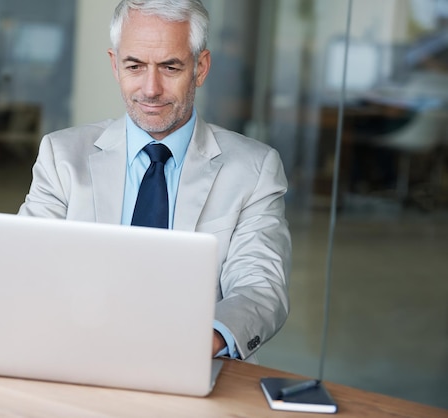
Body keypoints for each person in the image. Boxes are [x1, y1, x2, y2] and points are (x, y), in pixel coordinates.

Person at [18, 0, 291, 362]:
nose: (151, 88)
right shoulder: (61, 156)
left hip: (193, 363)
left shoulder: (255, 170)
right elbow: (25, 267)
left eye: (170, 66)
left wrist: (199, 343)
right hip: (76, 354)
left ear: (201, 67)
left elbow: (260, 287)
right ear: (115, 65)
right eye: (135, 66)